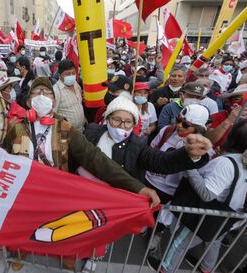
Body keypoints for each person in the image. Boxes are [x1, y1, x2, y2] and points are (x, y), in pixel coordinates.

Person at [0, 77, 161, 271]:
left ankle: (67, 257)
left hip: (57, 195)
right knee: (23, 226)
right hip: (24, 195)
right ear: (28, 101)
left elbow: (95, 159)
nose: (42, 97)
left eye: (47, 93)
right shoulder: (15, 128)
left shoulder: (65, 129)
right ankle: (20, 250)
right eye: (36, 93)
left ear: (54, 102)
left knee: (64, 231)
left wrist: (137, 187)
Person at [81, 96, 211, 273]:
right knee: (82, 228)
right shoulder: (92, 132)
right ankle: (77, 251)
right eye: (116, 119)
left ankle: (95, 257)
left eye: (128, 122)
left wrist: (189, 155)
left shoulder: (137, 144)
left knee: (105, 232)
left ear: (134, 124)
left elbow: (161, 161)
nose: (121, 126)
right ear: (107, 118)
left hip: (113, 203)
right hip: (84, 196)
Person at [156, 120, 247, 273]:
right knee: (214, 240)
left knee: (179, 243)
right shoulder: (236, 162)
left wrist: (190, 164)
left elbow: (206, 194)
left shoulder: (226, 164)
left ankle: (166, 269)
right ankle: (207, 268)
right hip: (229, 216)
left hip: (206, 215)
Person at [145, 104, 211, 203]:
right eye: (178, 120)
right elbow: (151, 149)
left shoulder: (201, 147)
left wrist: (192, 157)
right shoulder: (167, 131)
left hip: (168, 192)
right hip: (147, 180)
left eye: (185, 124)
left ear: (198, 128)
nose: (179, 125)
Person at [205, 84, 247, 150]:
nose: (244, 104)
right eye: (237, 99)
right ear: (228, 102)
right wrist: (229, 120)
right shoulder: (216, 117)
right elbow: (209, 140)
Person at [53, 60, 86, 131]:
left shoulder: (76, 84)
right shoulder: (56, 91)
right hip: (67, 134)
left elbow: (79, 104)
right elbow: (53, 114)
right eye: (67, 74)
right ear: (60, 75)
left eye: (73, 73)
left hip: (81, 130)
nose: (71, 76)